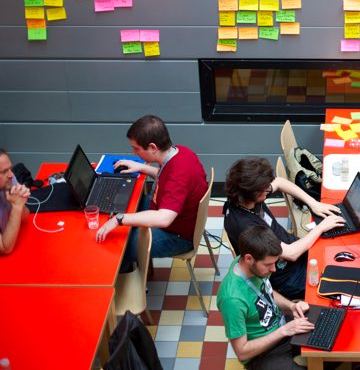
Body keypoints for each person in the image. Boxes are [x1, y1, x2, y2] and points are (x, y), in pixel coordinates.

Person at [96, 115, 208, 270]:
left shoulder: (178, 176)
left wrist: (118, 219)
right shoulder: (181, 152)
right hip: (169, 212)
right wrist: (141, 167)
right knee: (123, 208)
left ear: (153, 147)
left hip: (176, 236)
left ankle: (125, 287)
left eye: (136, 149)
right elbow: (168, 178)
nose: (134, 153)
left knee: (117, 246)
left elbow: (164, 218)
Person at [223, 157, 344, 300]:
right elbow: (291, 253)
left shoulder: (244, 198)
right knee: (337, 283)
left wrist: (314, 204)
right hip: (287, 276)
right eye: (265, 189)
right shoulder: (247, 227)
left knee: (337, 251)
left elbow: (279, 182)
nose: (269, 189)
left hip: (293, 249)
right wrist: (321, 227)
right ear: (254, 193)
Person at [218, 225, 314, 369]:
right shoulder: (232, 300)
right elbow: (242, 352)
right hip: (262, 353)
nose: (274, 269)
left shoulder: (248, 264)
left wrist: (291, 306)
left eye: (275, 263)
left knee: (329, 336)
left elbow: (265, 291)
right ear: (249, 259)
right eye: (268, 264)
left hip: (281, 326)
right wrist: (284, 331)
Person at [0, 149, 30, 255]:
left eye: (10, 169)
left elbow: (25, 217)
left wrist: (21, 201)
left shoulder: (9, 180)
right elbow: (5, 248)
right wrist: (17, 207)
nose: (11, 175)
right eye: (4, 171)